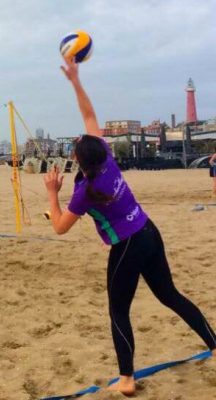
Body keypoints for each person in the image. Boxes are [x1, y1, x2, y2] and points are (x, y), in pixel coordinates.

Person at [43, 57, 216, 396]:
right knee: (169, 295)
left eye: (77, 143)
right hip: (149, 232)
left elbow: (61, 228)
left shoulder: (84, 193)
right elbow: (90, 115)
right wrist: (76, 81)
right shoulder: (104, 158)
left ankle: (126, 378)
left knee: (118, 310)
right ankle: (213, 342)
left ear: (78, 159)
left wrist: (52, 195)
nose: (80, 136)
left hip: (128, 246)